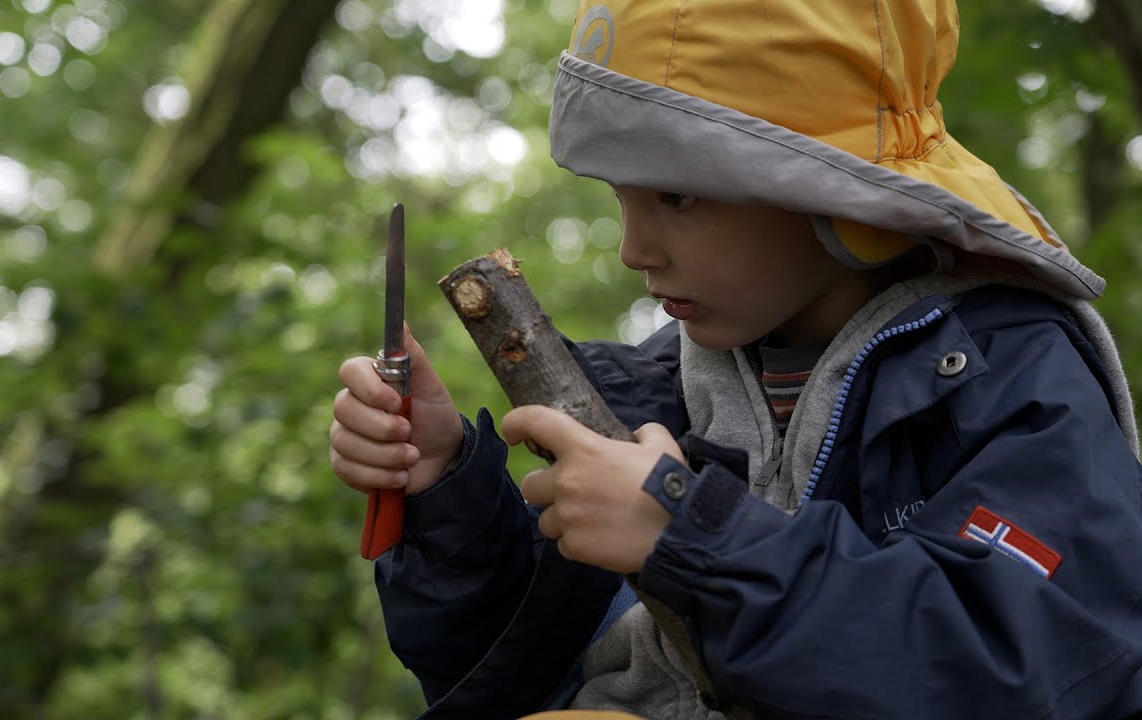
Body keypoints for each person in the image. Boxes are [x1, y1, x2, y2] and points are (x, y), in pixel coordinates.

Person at [329, 0, 1142, 717]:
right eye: (620, 197)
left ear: (833, 196)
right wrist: (444, 493)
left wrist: (694, 539)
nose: (632, 249)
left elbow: (1031, 665)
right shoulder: (660, 391)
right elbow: (509, 672)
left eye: (676, 198)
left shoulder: (1004, 377)